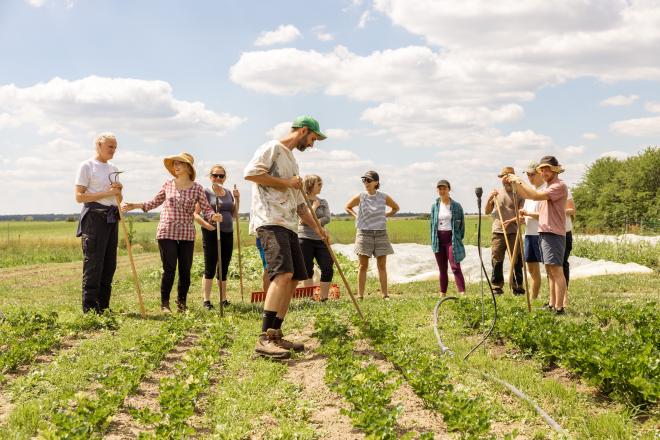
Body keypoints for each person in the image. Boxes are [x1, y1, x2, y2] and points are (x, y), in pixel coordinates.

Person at [244, 115, 327, 360]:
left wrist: (319, 230)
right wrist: (286, 182)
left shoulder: (292, 160)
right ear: (303, 131)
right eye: (312, 138)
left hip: (289, 224)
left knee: (294, 279)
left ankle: (276, 332)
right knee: (282, 274)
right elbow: (251, 174)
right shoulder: (272, 148)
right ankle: (263, 339)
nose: (312, 144)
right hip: (270, 220)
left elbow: (301, 206)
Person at [122, 152, 221, 313]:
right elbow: (154, 202)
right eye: (174, 164)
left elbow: (206, 209)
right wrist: (136, 205)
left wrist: (213, 216)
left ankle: (182, 304)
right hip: (167, 231)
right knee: (169, 269)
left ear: (188, 167)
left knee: (185, 270)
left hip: (187, 233)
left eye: (179, 163)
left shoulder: (197, 188)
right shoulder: (168, 184)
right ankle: (165, 304)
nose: (175, 166)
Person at [504, 156, 568, 314]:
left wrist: (518, 180)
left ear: (555, 170)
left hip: (553, 232)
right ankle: (553, 304)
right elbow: (528, 195)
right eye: (543, 170)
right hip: (545, 231)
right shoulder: (549, 186)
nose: (545, 172)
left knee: (557, 271)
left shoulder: (558, 186)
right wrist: (515, 182)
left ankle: (560, 308)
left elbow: (533, 195)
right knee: (550, 271)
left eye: (548, 169)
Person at [74, 132, 122, 313]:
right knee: (94, 263)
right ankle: (90, 309)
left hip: (111, 217)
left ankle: (104, 306)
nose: (113, 150)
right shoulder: (87, 166)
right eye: (110, 146)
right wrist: (106, 193)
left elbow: (117, 198)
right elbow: (79, 197)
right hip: (94, 217)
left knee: (110, 264)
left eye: (115, 147)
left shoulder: (113, 168)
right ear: (99, 146)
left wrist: (118, 191)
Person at [345, 171, 400, 300]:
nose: (366, 183)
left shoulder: (383, 197)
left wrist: (384, 215)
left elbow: (396, 208)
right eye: (364, 180)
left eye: (368, 180)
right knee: (363, 266)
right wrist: (356, 216)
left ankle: (385, 294)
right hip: (364, 233)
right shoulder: (361, 196)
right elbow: (348, 207)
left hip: (381, 233)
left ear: (376, 182)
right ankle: (360, 295)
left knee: (382, 265)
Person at [194, 165, 240, 310]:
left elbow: (234, 214)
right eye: (215, 175)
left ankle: (223, 298)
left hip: (227, 232)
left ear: (225, 177)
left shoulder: (228, 192)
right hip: (211, 232)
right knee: (210, 266)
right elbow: (195, 213)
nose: (218, 178)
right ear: (210, 177)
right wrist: (207, 226)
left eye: (221, 176)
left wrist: (237, 199)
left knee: (224, 266)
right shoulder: (205, 192)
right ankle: (206, 300)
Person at [485, 166, 526, 295]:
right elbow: (487, 211)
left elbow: (522, 214)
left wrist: (512, 221)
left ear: (513, 177)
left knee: (516, 260)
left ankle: (517, 286)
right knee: (497, 259)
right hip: (498, 231)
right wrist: (489, 199)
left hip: (514, 231)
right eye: (504, 176)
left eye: (509, 176)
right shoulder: (497, 194)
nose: (506, 179)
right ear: (501, 178)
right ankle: (497, 286)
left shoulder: (519, 194)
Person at [298, 174, 333, 301]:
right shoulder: (302, 201)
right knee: (307, 268)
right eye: (318, 184)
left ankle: (324, 298)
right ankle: (309, 298)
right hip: (304, 238)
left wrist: (312, 220)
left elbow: (327, 218)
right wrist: (314, 207)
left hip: (321, 238)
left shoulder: (323, 201)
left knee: (328, 266)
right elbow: (301, 220)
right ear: (310, 184)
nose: (321, 186)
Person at [429, 179, 466, 296]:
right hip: (439, 239)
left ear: (449, 189)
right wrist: (434, 239)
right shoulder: (435, 206)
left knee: (455, 267)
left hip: (451, 239)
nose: (442, 190)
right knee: (442, 269)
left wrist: (457, 238)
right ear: (437, 190)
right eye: (440, 188)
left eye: (444, 188)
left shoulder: (456, 206)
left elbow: (461, 225)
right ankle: (442, 293)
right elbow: (431, 225)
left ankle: (462, 293)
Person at [519, 162, 545, 299]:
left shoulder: (544, 190)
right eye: (527, 175)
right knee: (531, 269)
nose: (530, 177)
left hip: (542, 234)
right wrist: (524, 218)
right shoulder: (529, 194)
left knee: (549, 269)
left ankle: (554, 300)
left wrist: (528, 214)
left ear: (540, 173)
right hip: (529, 234)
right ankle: (533, 298)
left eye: (532, 174)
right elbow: (529, 213)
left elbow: (546, 215)